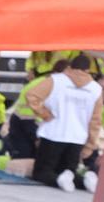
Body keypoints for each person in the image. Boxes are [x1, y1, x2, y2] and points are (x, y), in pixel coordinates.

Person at [28, 54, 100, 190]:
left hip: (53, 134)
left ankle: (58, 180)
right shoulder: (96, 89)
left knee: (41, 173)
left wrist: (44, 114)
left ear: (70, 66)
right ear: (88, 70)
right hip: (77, 139)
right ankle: (86, 181)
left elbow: (32, 95)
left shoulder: (56, 80)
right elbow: (96, 120)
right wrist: (90, 145)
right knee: (67, 173)